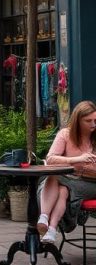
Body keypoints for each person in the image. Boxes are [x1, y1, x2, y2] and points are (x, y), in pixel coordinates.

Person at [37, 100, 96, 244]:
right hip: (69, 179)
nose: (93, 124)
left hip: (91, 183)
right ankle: (50, 228)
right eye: (88, 121)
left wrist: (88, 167)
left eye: (95, 120)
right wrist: (77, 159)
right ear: (77, 120)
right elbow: (50, 159)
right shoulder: (65, 134)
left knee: (58, 180)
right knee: (61, 187)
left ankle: (45, 217)